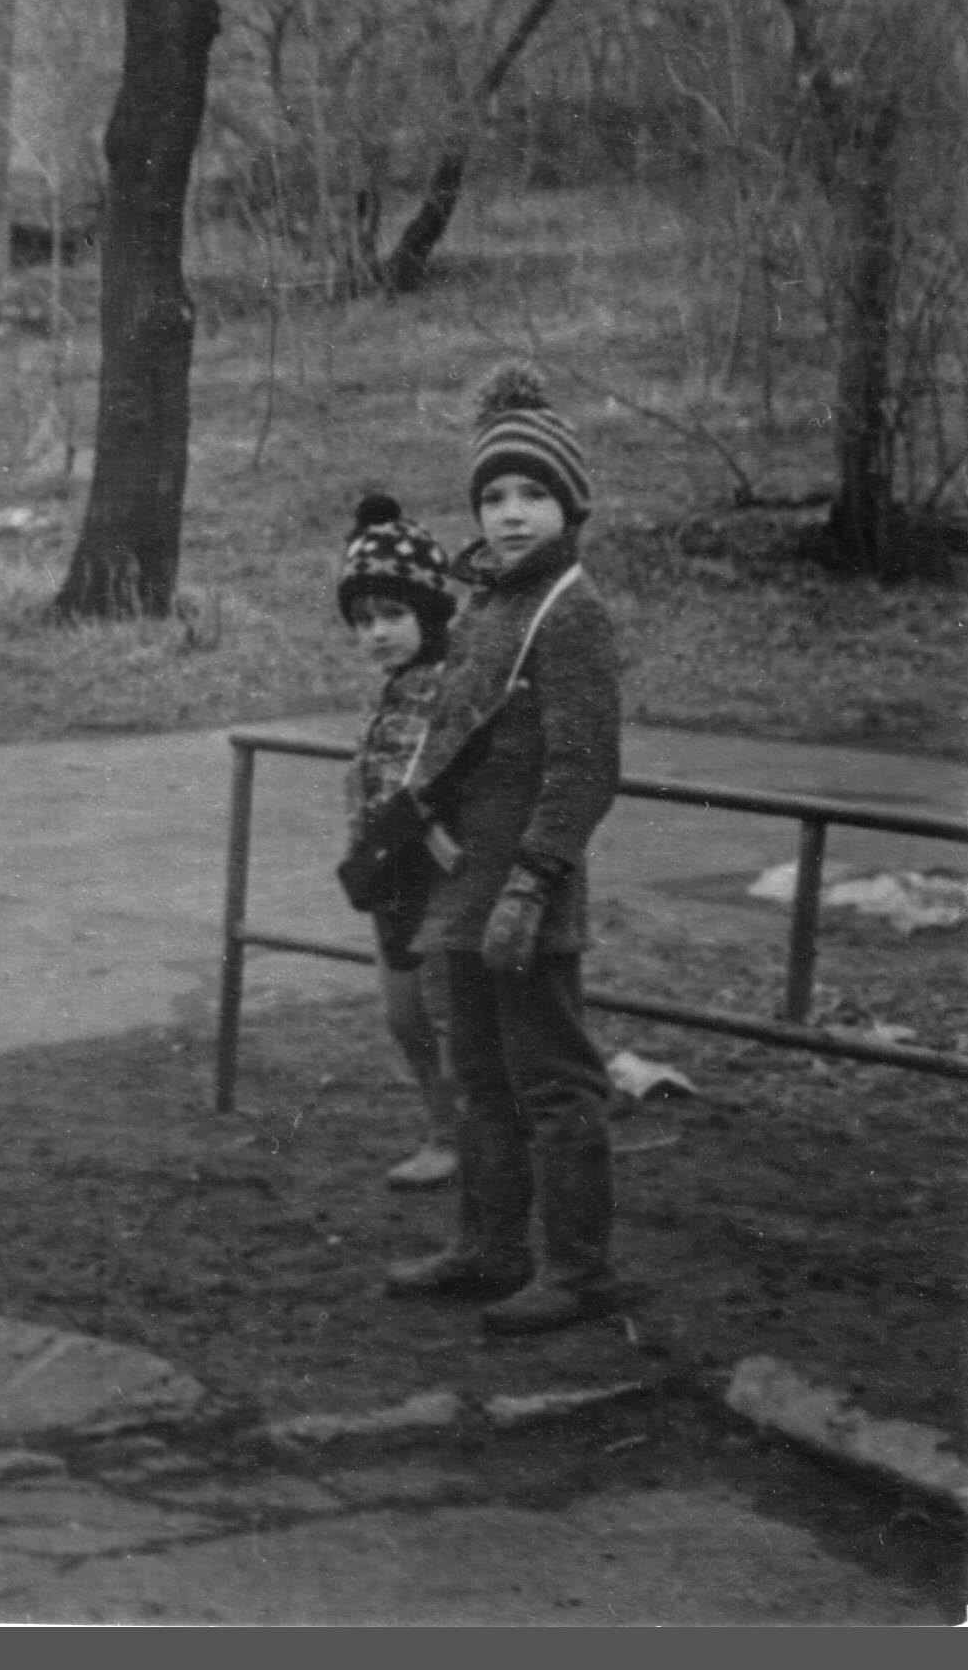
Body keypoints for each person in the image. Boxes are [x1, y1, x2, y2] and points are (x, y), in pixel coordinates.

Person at [380, 365, 625, 1336]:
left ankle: (579, 1271)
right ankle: (489, 1247)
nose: (512, 514)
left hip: (528, 888)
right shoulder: (487, 602)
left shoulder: (571, 608)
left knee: (555, 1085)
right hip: (464, 884)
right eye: (494, 497)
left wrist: (531, 883)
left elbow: (584, 767)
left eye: (533, 494)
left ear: (570, 506)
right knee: (480, 1077)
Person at [332, 493, 462, 1191]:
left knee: (447, 1017)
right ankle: (444, 1128)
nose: (377, 633)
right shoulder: (392, 691)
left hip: (439, 878)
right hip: (390, 878)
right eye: (363, 620)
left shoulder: (454, 686)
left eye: (393, 615)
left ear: (430, 613)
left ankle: (460, 1138)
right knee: (405, 1016)